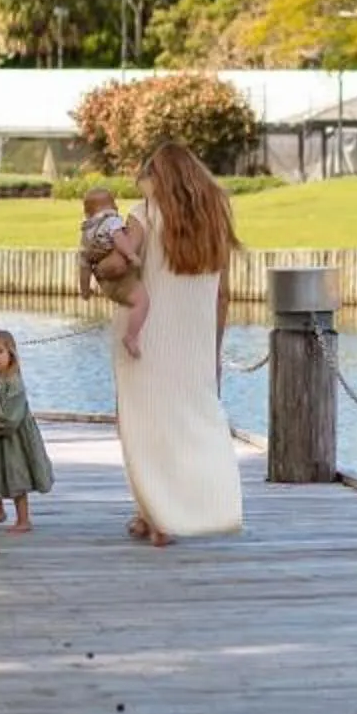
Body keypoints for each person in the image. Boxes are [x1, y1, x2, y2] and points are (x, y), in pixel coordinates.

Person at [108, 140, 244, 548]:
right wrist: (215, 350)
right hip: (195, 344)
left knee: (143, 426)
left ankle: (157, 517)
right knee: (200, 426)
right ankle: (210, 507)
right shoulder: (214, 223)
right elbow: (223, 295)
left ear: (155, 177)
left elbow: (119, 267)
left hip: (144, 339)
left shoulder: (142, 216)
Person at [0, 329, 54, 534]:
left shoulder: (13, 383)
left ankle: (23, 518)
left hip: (14, 438)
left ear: (10, 354)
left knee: (16, 473)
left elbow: (11, 415)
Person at [76, 185, 149, 356]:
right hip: (124, 279)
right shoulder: (111, 221)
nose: (116, 207)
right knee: (141, 302)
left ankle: (85, 292)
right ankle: (131, 336)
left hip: (105, 281)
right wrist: (131, 255)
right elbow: (119, 239)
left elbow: (85, 261)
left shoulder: (87, 230)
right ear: (109, 207)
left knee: (84, 261)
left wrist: (86, 287)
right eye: (114, 204)